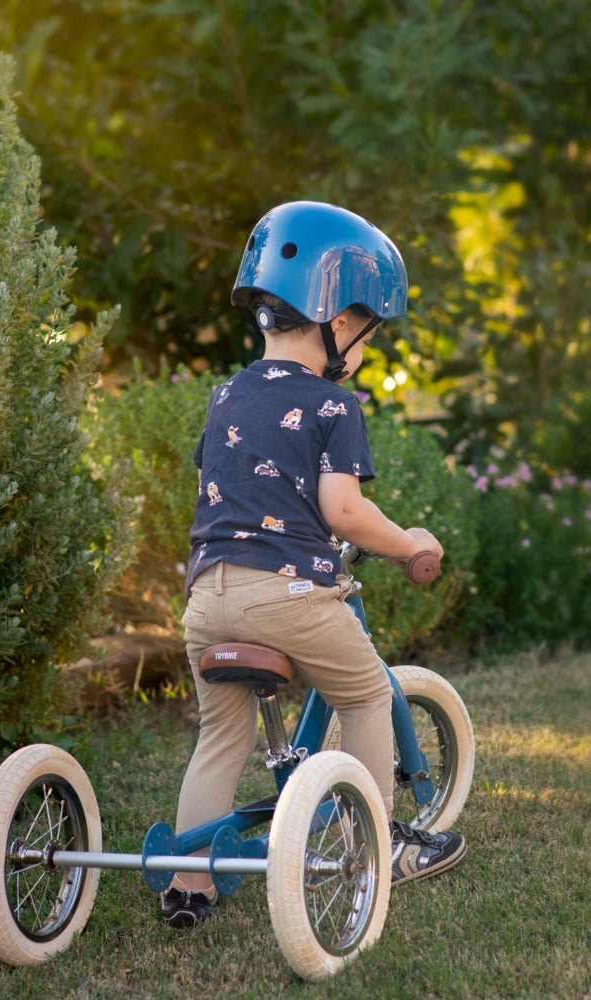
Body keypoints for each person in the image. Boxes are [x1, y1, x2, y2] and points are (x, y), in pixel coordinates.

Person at [161, 201, 467, 929]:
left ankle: (186, 884)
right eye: (368, 332)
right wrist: (411, 543)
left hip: (206, 597)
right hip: (289, 595)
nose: (364, 349)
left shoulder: (225, 394)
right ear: (338, 318)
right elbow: (344, 513)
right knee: (363, 698)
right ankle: (378, 847)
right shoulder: (332, 403)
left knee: (221, 738)